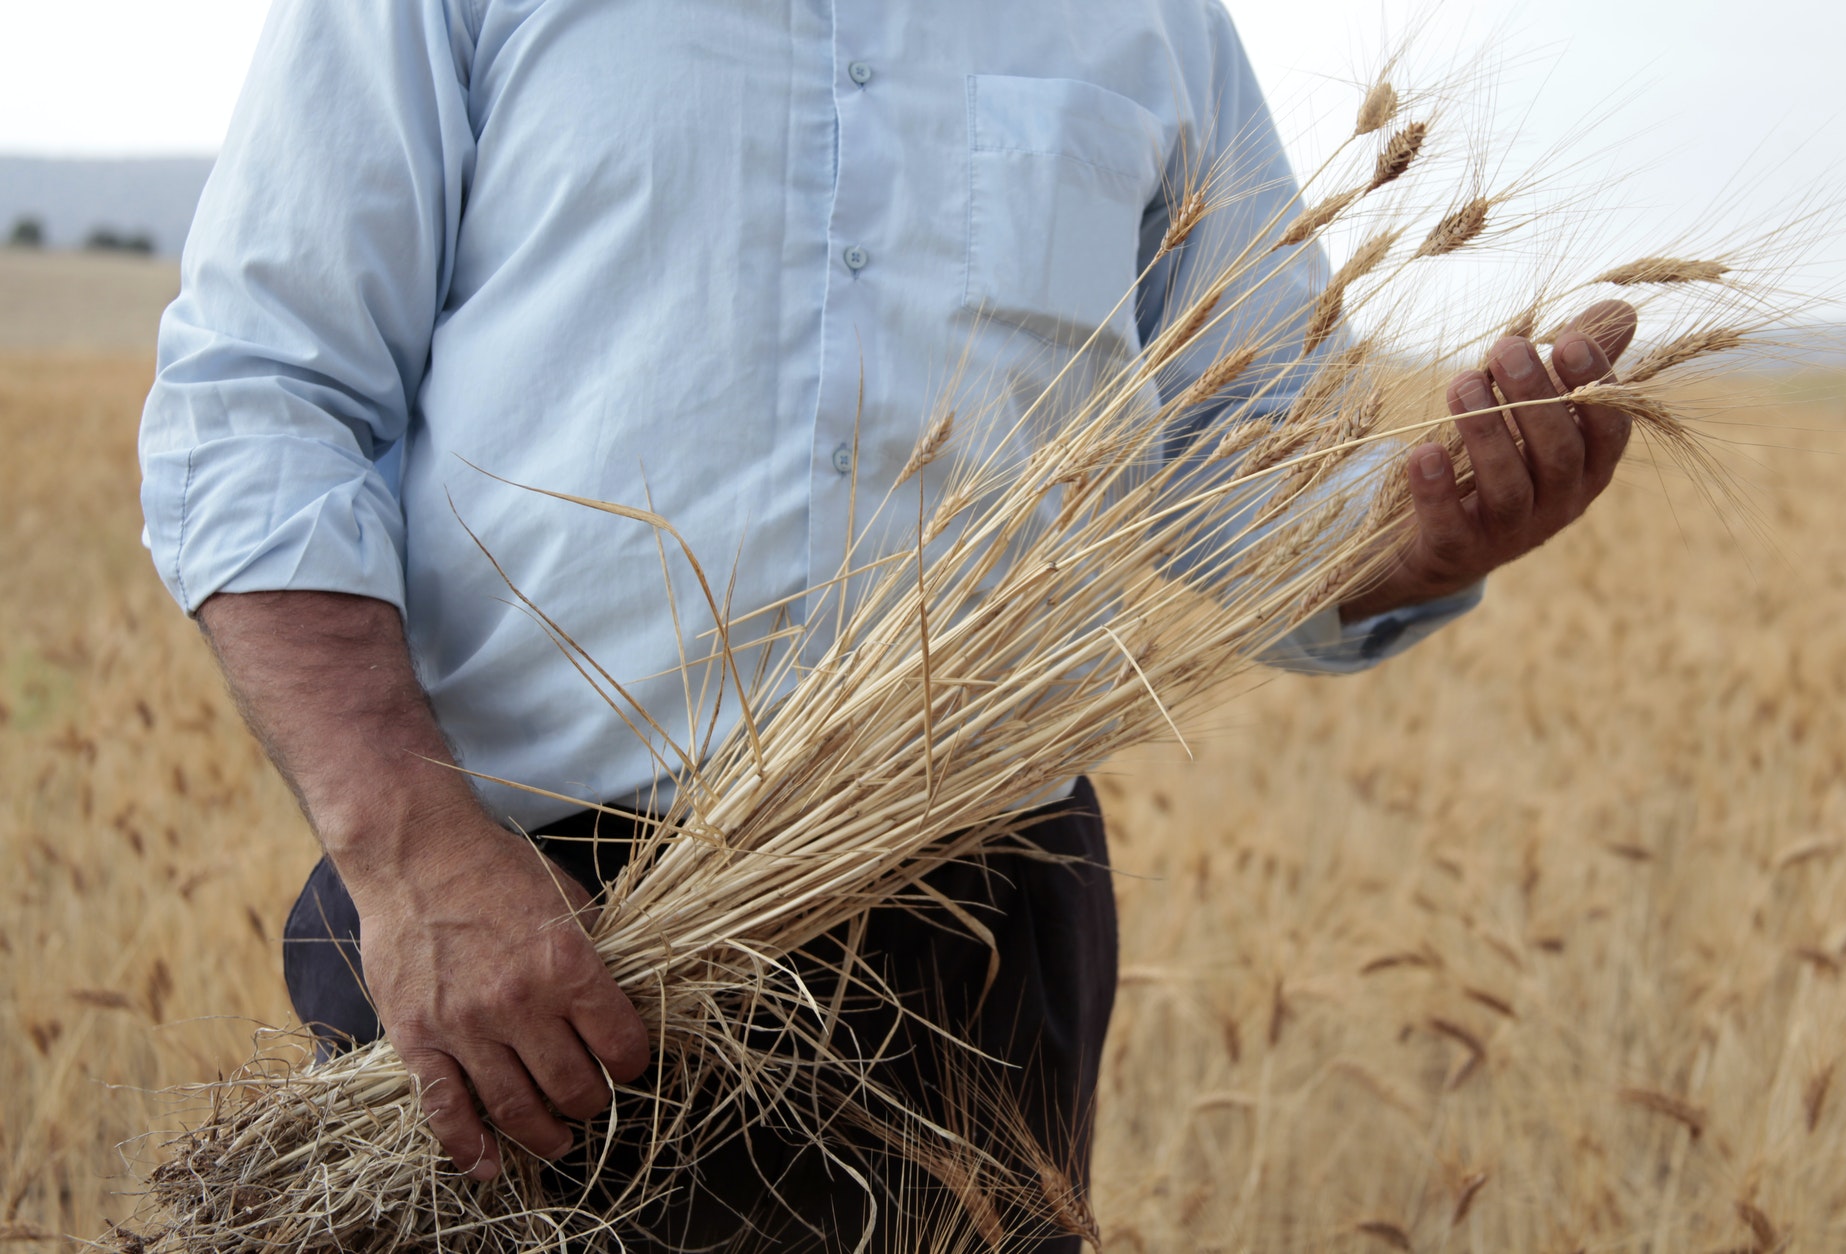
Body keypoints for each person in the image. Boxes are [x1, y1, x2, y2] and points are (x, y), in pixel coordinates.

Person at [138, 0, 1637, 1247]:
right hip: (525, 942)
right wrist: (413, 850)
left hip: (968, 960)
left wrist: (1418, 528)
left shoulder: (1150, 17)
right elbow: (263, 399)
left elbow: (1246, 474)